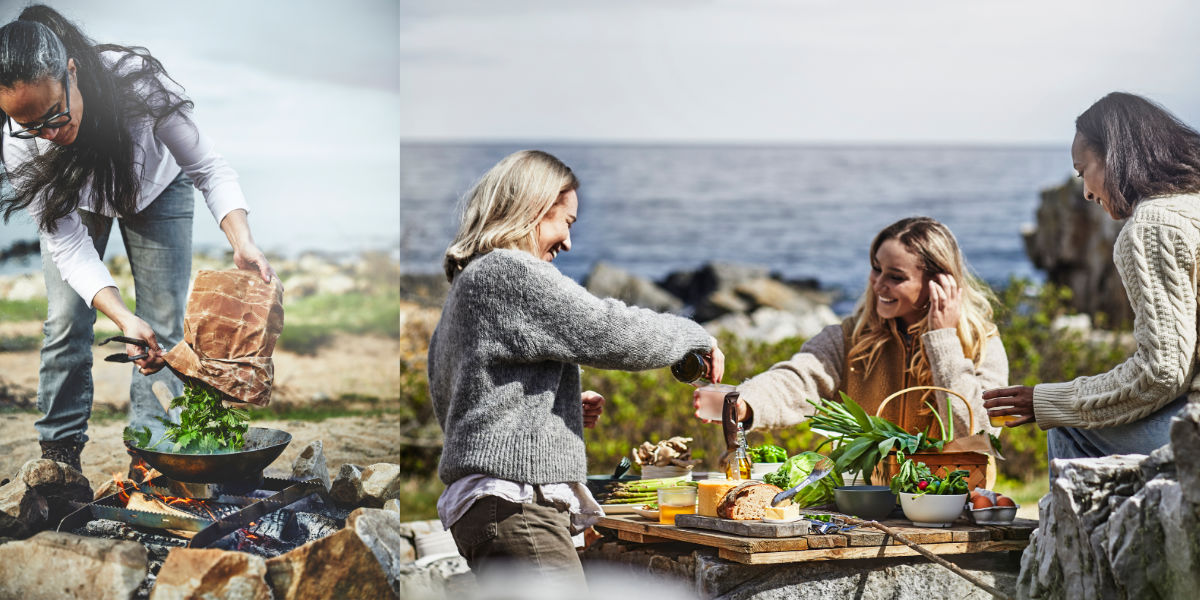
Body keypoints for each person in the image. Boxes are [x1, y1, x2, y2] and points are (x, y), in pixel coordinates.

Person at [428, 149, 723, 585]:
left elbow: (461, 400)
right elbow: (607, 330)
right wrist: (692, 336)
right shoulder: (509, 271)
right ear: (531, 211)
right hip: (516, 505)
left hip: (489, 508)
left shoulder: (469, 283)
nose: (568, 243)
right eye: (566, 222)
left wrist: (554, 408)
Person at [0, 6, 274, 473]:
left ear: (72, 71)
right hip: (78, 201)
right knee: (66, 320)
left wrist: (242, 239)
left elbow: (207, 167)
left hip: (160, 190)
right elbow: (68, 247)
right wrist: (123, 317)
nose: (48, 133)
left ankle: (153, 452)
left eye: (54, 114)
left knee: (162, 324)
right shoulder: (22, 144)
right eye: (30, 125)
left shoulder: (137, 85)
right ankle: (59, 457)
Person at [705, 217, 1008, 483]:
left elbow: (976, 432)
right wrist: (744, 402)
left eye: (896, 276)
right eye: (876, 269)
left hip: (951, 511)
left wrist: (943, 341)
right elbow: (797, 379)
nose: (879, 285)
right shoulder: (850, 337)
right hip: (866, 505)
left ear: (939, 282)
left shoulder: (983, 344)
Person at [984, 92, 1200, 462]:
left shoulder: (1152, 226)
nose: (1085, 191)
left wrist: (1048, 401)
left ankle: (1074, 524)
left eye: (1083, 171)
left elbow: (1162, 372)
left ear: (1115, 156)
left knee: (1070, 429)